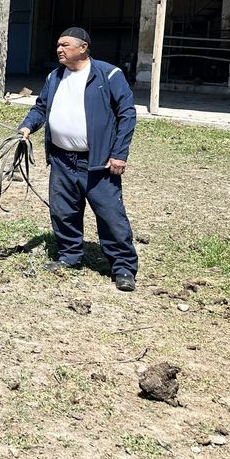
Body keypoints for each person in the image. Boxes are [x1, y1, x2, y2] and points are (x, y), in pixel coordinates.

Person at [18, 27, 139, 292]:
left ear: (83, 47)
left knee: (110, 216)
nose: (59, 49)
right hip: (62, 160)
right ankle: (69, 256)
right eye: (58, 45)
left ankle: (123, 267)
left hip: (97, 162)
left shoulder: (108, 74)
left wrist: (119, 154)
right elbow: (41, 107)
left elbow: (127, 114)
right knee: (63, 211)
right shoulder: (55, 75)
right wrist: (27, 127)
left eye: (65, 45)